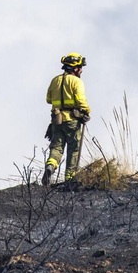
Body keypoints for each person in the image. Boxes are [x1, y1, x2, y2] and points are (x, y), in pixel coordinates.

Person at [43, 53, 90, 186]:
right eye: (80, 67)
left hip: (56, 120)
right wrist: (86, 111)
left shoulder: (55, 80)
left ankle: (50, 166)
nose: (81, 70)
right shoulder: (77, 81)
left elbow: (48, 99)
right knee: (73, 148)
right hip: (72, 120)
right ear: (74, 68)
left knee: (57, 147)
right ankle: (70, 178)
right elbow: (81, 100)